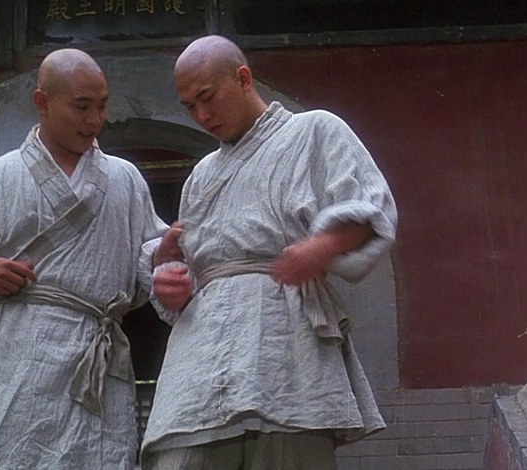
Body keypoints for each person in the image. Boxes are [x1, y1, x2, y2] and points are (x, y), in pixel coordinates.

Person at [139, 35, 398, 469]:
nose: (201, 116)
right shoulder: (200, 176)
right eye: (189, 107)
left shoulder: (315, 130)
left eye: (208, 98)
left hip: (286, 341)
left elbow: (372, 210)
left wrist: (324, 245)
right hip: (201, 351)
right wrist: (172, 284)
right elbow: (197, 268)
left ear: (243, 79)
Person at [0, 48, 168, 470]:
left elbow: (149, 254)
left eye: (102, 106)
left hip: (97, 352)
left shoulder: (124, 179)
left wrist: (167, 258)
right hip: (19, 354)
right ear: (43, 102)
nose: (95, 119)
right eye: (82, 106)